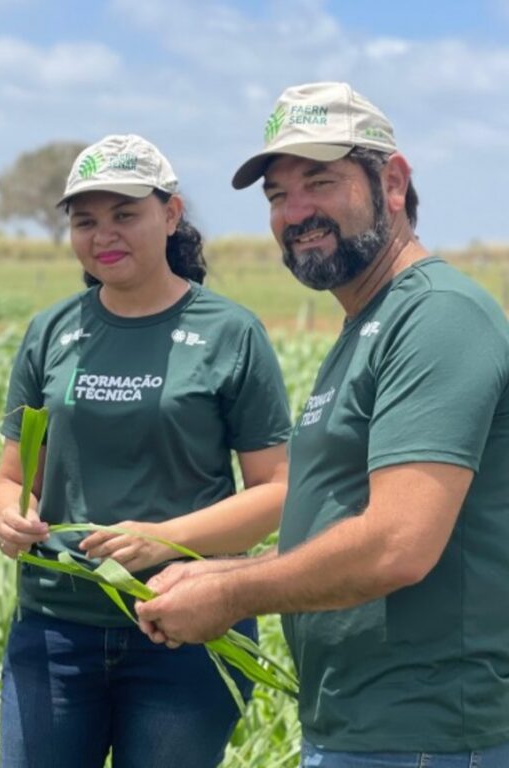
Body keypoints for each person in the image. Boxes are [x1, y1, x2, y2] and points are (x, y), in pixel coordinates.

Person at [137, 82, 509, 766]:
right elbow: (347, 526)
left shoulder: (438, 317)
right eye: (278, 196)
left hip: (425, 735)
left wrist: (229, 591)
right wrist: (221, 572)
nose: (296, 211)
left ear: (391, 183)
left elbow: (398, 543)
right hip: (362, 726)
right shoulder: (367, 324)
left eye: (320, 182)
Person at [0, 134, 291, 768]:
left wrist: (165, 540)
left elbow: (277, 492)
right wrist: (6, 517)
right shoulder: (51, 331)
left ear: (171, 215)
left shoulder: (229, 333)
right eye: (85, 221)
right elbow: (12, 478)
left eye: (125, 214)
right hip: (53, 629)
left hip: (183, 625)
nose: (105, 235)